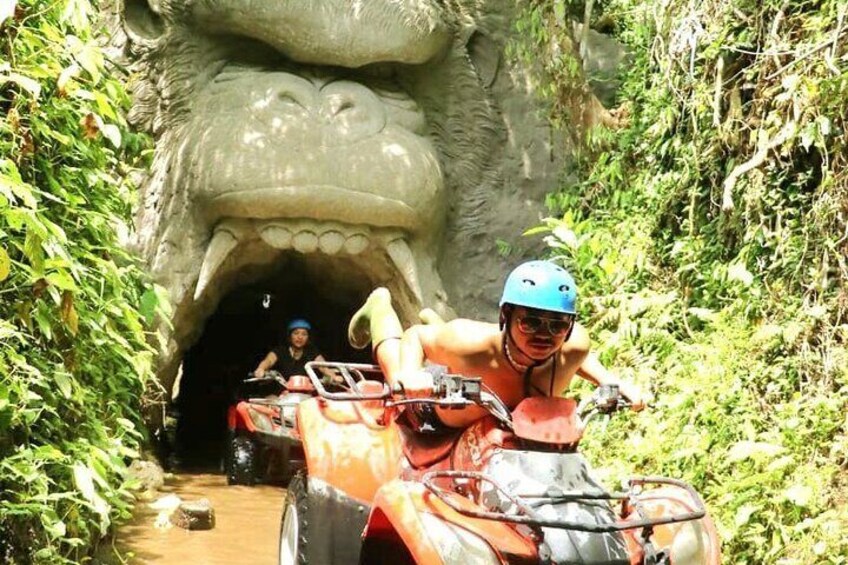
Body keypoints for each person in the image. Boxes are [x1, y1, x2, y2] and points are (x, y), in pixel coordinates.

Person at [347, 260, 645, 430]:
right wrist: (411, 375)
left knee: (445, 340)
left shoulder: (575, 343)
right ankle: (379, 307)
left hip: (514, 435)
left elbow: (578, 357)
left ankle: (434, 320)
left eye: (557, 324)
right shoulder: (469, 342)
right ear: (506, 315)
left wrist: (611, 381)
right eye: (530, 322)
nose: (545, 335)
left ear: (569, 327)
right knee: (396, 373)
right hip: (439, 407)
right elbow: (415, 339)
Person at [253, 319, 337, 383]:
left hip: (306, 394)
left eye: (304, 334)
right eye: (296, 333)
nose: (300, 337)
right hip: (281, 394)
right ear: (290, 336)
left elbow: (322, 366)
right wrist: (261, 369)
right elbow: (269, 361)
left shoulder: (312, 352)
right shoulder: (280, 351)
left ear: (308, 338)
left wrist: (333, 376)